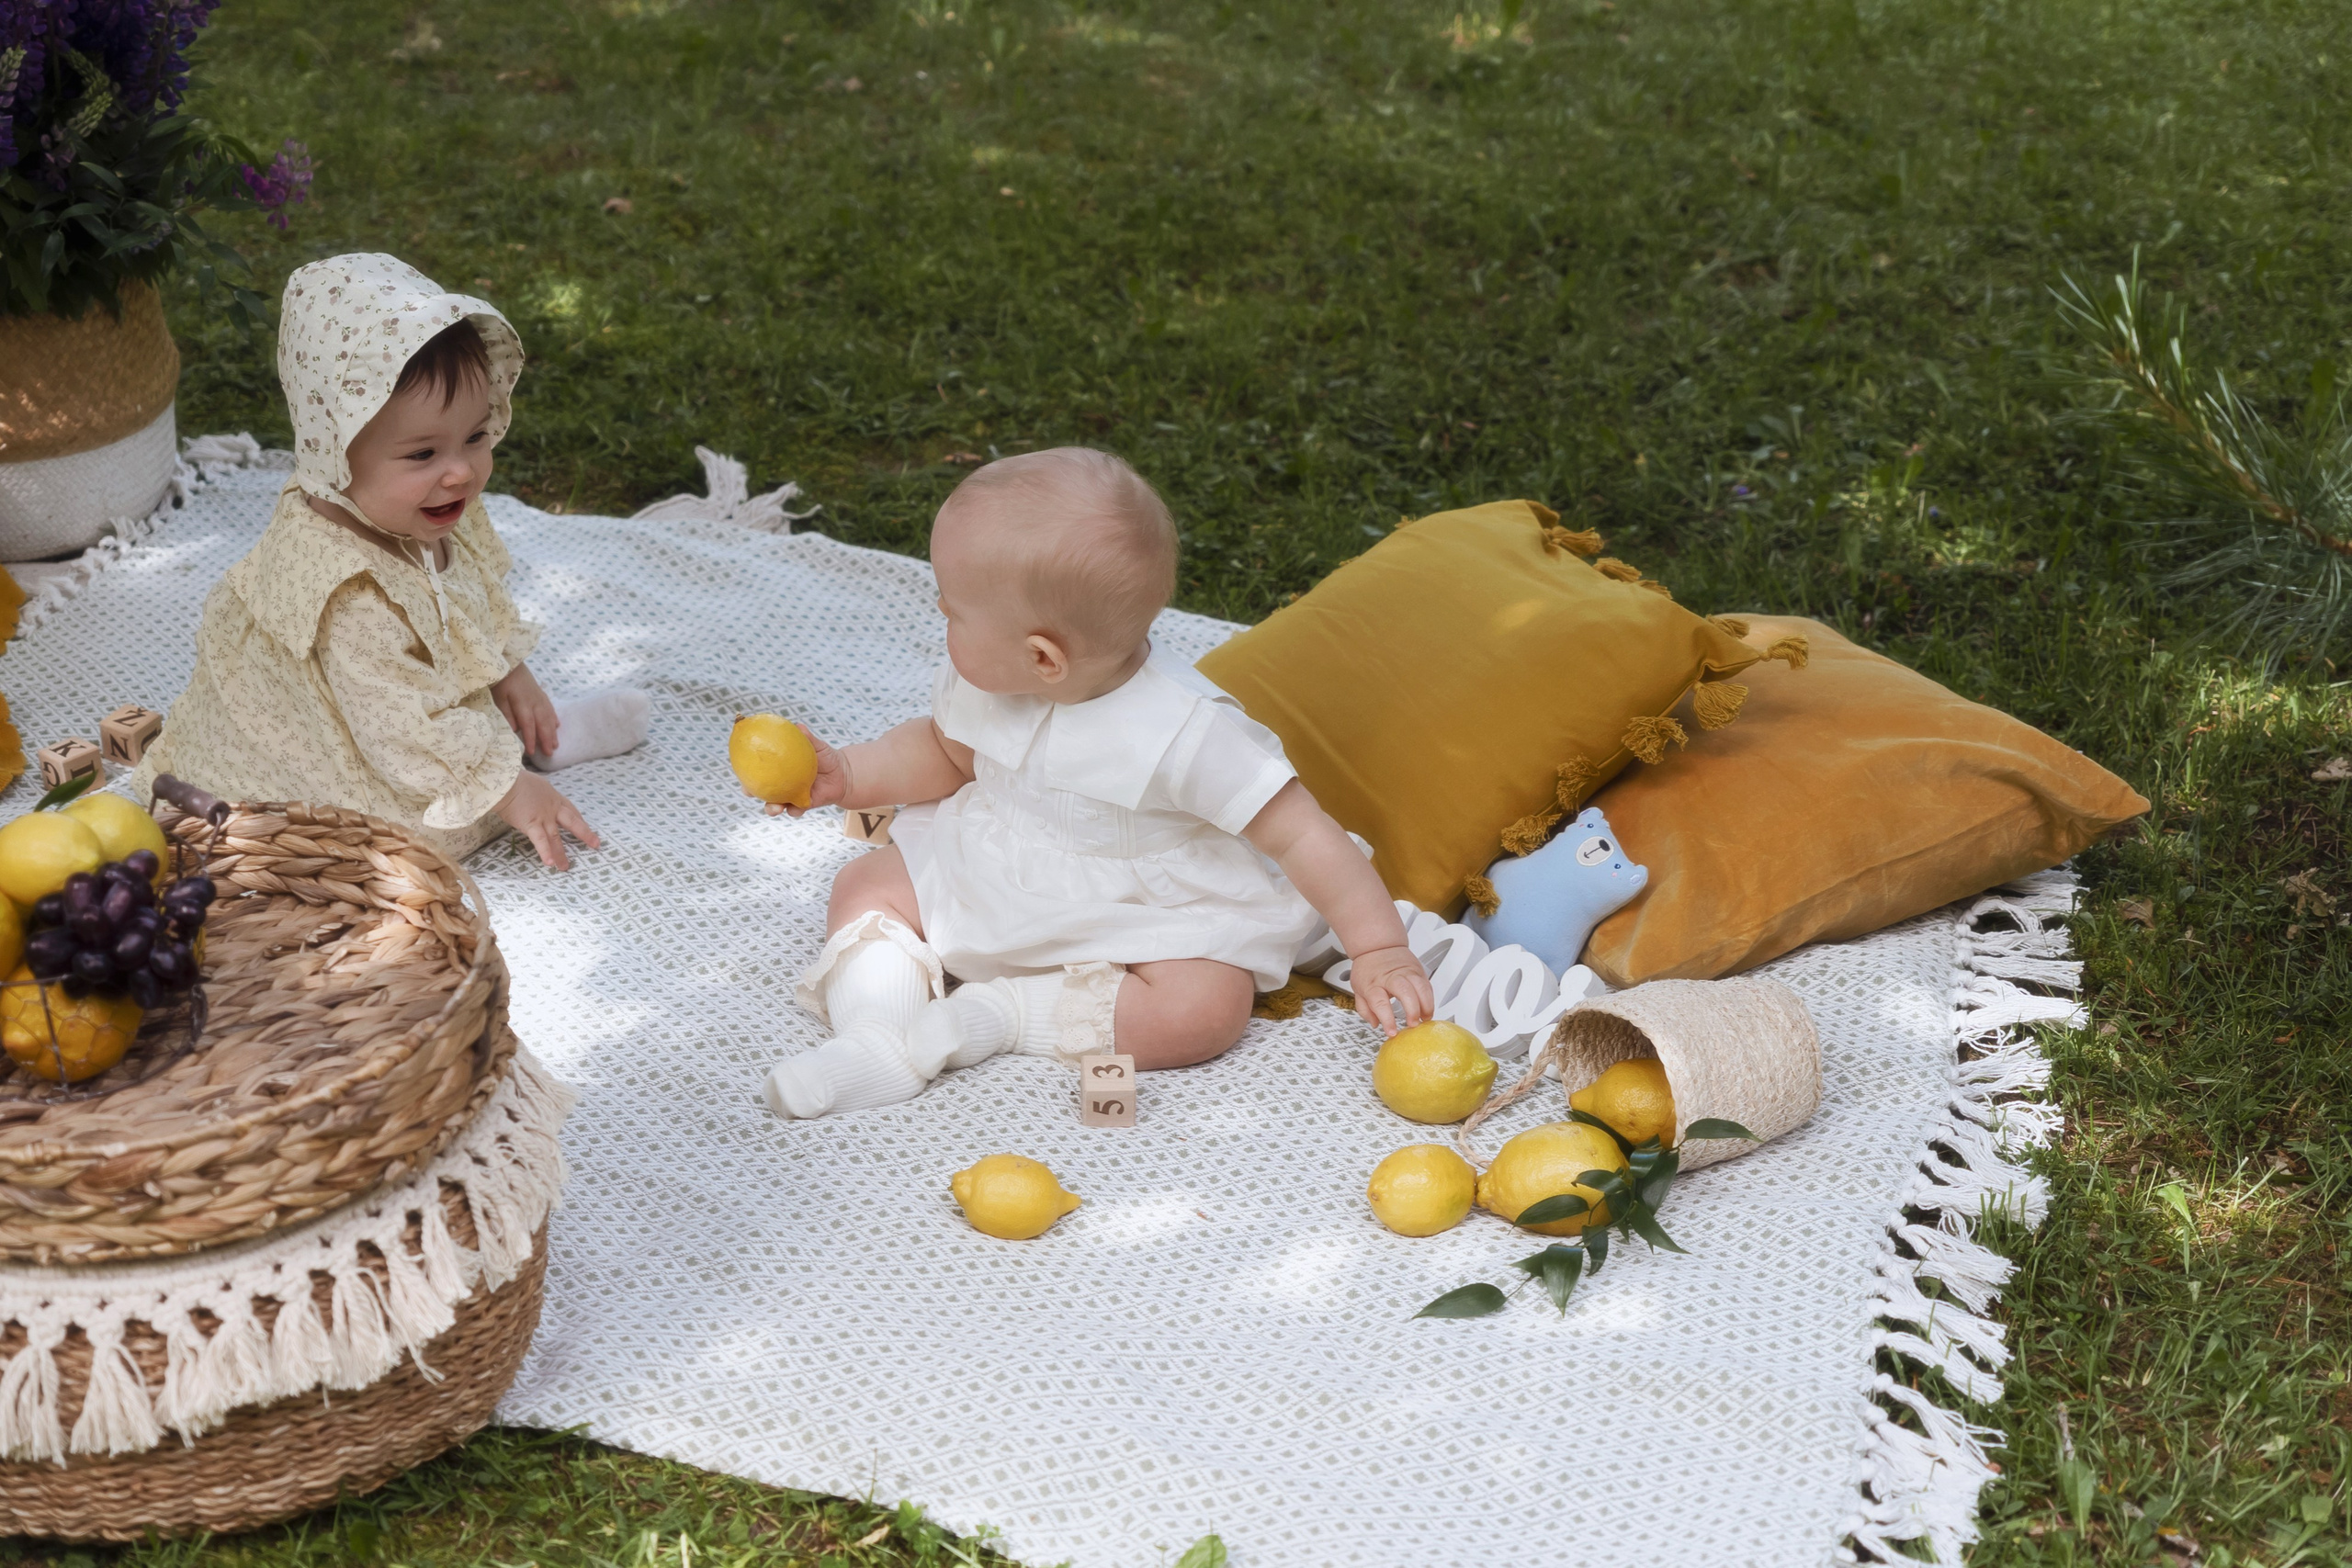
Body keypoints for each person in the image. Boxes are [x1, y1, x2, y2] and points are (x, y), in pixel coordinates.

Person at [762, 446, 1433, 1118]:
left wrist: (1378, 946)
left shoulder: (1187, 732)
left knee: (1206, 1009)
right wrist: (849, 774)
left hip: (1143, 907)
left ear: (1042, 657)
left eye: (953, 615)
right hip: (995, 859)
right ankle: (876, 1036)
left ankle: (1001, 1015)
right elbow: (944, 751)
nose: (942, 621)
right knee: (866, 885)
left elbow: (1302, 835)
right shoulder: (987, 680)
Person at [133, 254, 647, 867]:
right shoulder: (350, 595)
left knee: (461, 706)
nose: (460, 472)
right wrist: (508, 792)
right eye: (423, 453)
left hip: (397, 703)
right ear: (335, 452)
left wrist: (509, 670)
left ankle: (537, 733)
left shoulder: (417, 506)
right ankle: (510, 766)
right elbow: (397, 728)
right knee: (419, 827)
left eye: (476, 437)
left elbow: (470, 595)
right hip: (348, 744)